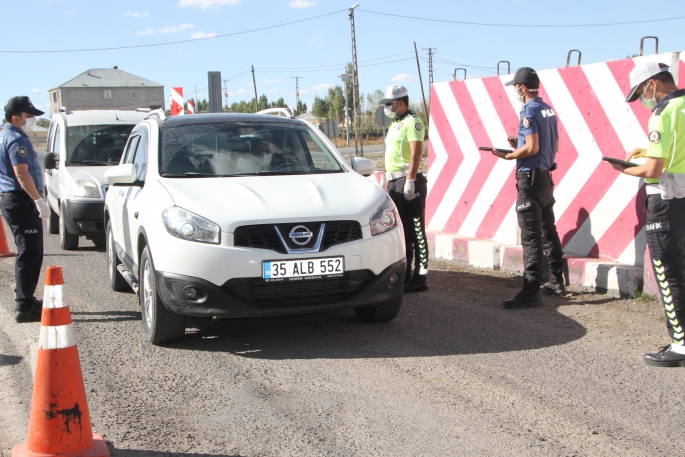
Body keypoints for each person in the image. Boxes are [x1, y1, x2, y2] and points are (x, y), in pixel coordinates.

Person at [605, 61, 685, 367]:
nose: (642, 100)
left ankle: (680, 344)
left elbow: (653, 169)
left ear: (652, 84)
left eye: (641, 93)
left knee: (668, 270)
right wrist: (648, 150)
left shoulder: (662, 114)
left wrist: (624, 168)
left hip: (665, 198)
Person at [494, 67, 564, 309]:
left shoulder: (529, 110)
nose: (515, 90)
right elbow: (552, 145)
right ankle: (557, 280)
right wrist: (520, 142)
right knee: (548, 229)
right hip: (545, 177)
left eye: (516, 87)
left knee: (531, 236)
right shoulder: (548, 110)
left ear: (523, 88)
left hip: (530, 179)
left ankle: (531, 289)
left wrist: (512, 154)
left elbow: (532, 148)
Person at [0, 96, 50, 323]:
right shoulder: (15, 139)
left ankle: (26, 297)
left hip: (14, 198)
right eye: (28, 116)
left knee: (29, 251)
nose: (32, 120)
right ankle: (24, 304)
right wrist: (38, 200)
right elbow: (21, 173)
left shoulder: (6, 135)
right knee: (29, 252)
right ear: (15, 117)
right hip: (21, 199)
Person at [378, 85, 428, 293]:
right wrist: (385, 178)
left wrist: (410, 180)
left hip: (409, 182)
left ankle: (421, 277)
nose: (387, 108)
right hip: (393, 182)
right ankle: (405, 275)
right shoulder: (395, 123)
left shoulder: (412, 122)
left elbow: (416, 153)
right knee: (402, 232)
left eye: (389, 104)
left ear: (400, 102)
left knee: (416, 231)